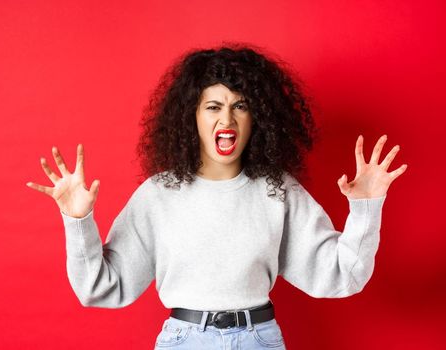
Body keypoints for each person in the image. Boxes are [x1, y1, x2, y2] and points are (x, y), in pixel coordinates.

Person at [24, 44, 407, 349]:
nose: (227, 119)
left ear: (257, 118)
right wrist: (78, 222)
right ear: (191, 117)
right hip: (184, 341)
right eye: (213, 107)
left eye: (240, 106)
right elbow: (100, 288)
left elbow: (343, 276)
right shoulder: (159, 195)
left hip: (260, 339)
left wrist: (365, 208)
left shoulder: (278, 191)